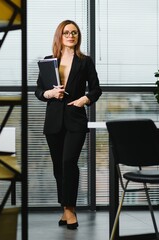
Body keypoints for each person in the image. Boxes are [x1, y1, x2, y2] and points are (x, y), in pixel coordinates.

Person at [35, 20, 102, 230]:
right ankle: (65, 209)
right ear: (60, 35)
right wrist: (50, 93)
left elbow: (96, 89)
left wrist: (85, 99)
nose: (71, 35)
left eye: (74, 32)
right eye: (66, 32)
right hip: (53, 121)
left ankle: (70, 209)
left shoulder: (85, 61)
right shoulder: (48, 61)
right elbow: (38, 91)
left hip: (76, 120)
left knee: (69, 163)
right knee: (58, 167)